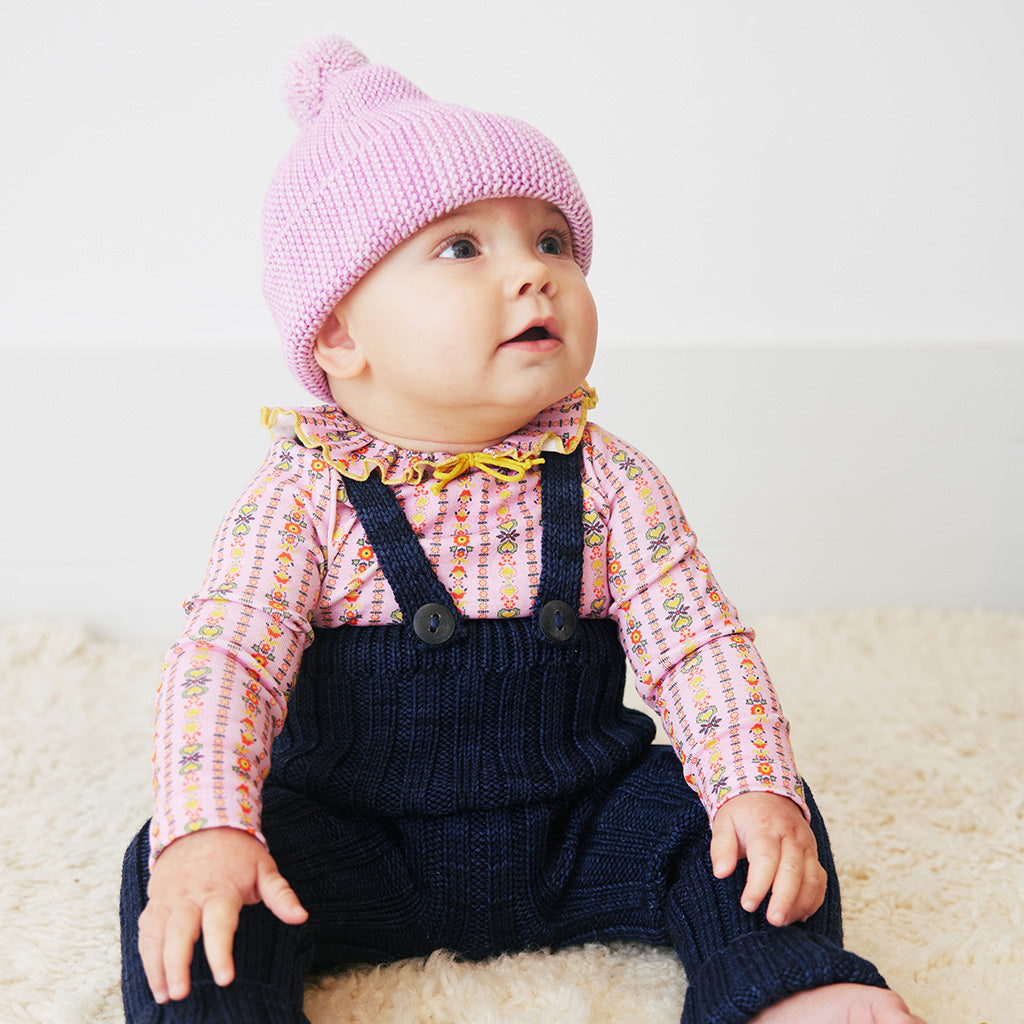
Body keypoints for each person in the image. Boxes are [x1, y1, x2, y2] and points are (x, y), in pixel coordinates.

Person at [119, 35, 926, 1024]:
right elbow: (226, 661)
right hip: (355, 835)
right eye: (462, 248)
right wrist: (208, 828)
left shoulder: (611, 479)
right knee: (194, 867)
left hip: (582, 823)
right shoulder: (305, 492)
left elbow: (697, 644)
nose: (534, 275)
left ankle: (778, 987)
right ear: (337, 333)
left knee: (739, 819)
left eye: (551, 242)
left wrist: (753, 787)